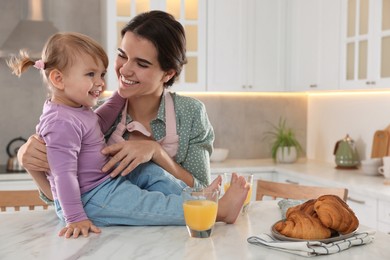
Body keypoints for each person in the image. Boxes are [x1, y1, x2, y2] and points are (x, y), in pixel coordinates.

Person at [13, 16, 250, 238]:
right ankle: (217, 211)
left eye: (142, 63)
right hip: (102, 218)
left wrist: (156, 153)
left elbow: (199, 184)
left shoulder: (189, 113)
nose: (124, 70)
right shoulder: (74, 111)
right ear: (58, 79)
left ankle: (203, 204)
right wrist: (30, 162)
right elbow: (58, 187)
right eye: (122, 55)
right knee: (148, 204)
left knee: (151, 172)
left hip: (161, 237)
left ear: (168, 74)